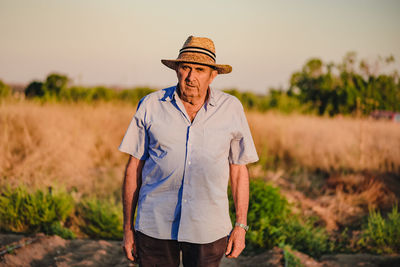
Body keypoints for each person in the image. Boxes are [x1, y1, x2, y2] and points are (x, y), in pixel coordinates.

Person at [119, 36, 258, 267]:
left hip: (209, 227)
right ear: (176, 70)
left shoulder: (231, 108)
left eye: (200, 70)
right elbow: (133, 168)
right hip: (155, 225)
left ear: (213, 75)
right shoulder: (150, 105)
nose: (191, 77)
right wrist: (127, 229)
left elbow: (239, 170)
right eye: (185, 67)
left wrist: (240, 226)